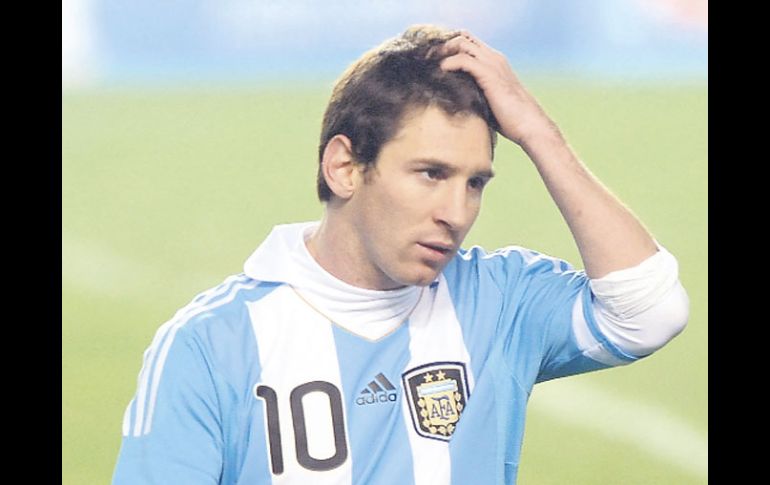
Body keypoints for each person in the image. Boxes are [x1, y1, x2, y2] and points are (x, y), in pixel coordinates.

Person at [112, 25, 689, 485]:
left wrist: (539, 133)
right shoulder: (211, 344)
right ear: (344, 167)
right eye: (431, 173)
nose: (456, 212)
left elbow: (650, 312)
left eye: (475, 183)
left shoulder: (501, 301)